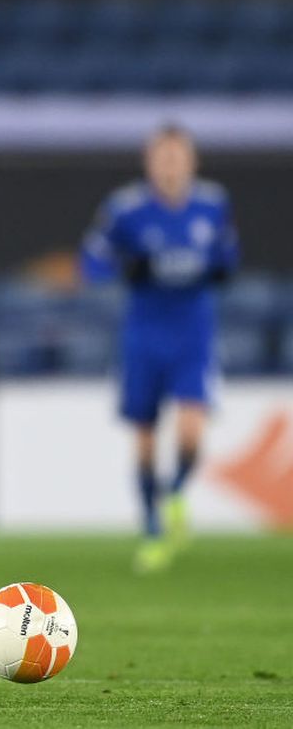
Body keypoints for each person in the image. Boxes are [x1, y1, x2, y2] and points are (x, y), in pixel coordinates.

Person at [80, 124, 239, 573]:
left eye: (177, 156)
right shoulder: (127, 210)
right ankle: (152, 529)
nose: (170, 165)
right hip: (144, 335)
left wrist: (218, 269)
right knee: (146, 438)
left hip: (193, 334)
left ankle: (174, 496)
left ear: (191, 161)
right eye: (162, 157)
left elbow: (229, 258)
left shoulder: (213, 204)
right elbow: (91, 259)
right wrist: (123, 267)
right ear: (150, 162)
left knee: (190, 432)